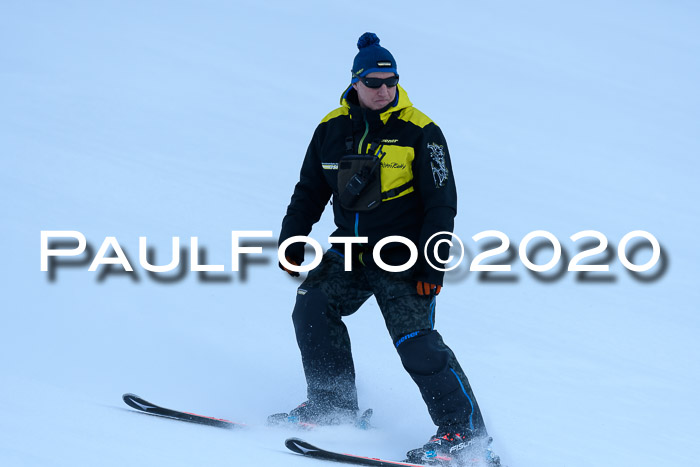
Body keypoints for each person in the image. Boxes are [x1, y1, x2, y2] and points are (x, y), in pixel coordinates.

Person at [275, 32, 499, 465]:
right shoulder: (331, 128)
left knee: (415, 342)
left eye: (390, 81)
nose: (383, 90)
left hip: (404, 255)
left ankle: (464, 435)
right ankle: (332, 404)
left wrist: (432, 264)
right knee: (312, 305)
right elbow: (309, 191)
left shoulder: (421, 131)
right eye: (374, 82)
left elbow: (442, 204)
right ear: (355, 82)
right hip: (350, 251)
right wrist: (292, 239)